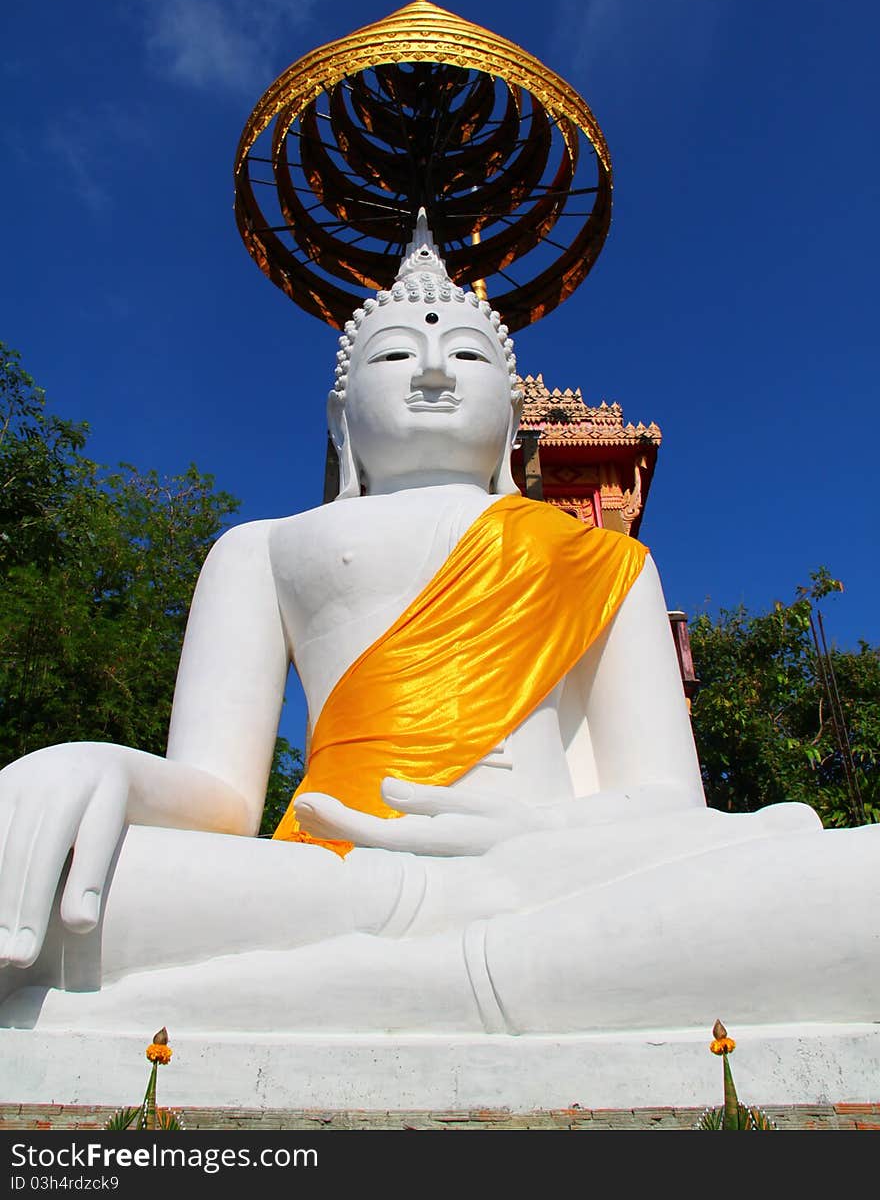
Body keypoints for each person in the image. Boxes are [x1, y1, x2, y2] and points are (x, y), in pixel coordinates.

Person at [1, 217, 877, 1035]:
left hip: (558, 873)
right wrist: (95, 766)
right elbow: (220, 800)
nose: (433, 371)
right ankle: (494, 977)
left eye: (466, 352)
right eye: (393, 355)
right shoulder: (264, 549)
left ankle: (363, 986)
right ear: (342, 420)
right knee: (40, 883)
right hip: (330, 879)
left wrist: (528, 844)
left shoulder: (603, 560)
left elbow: (667, 801)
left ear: (509, 419)